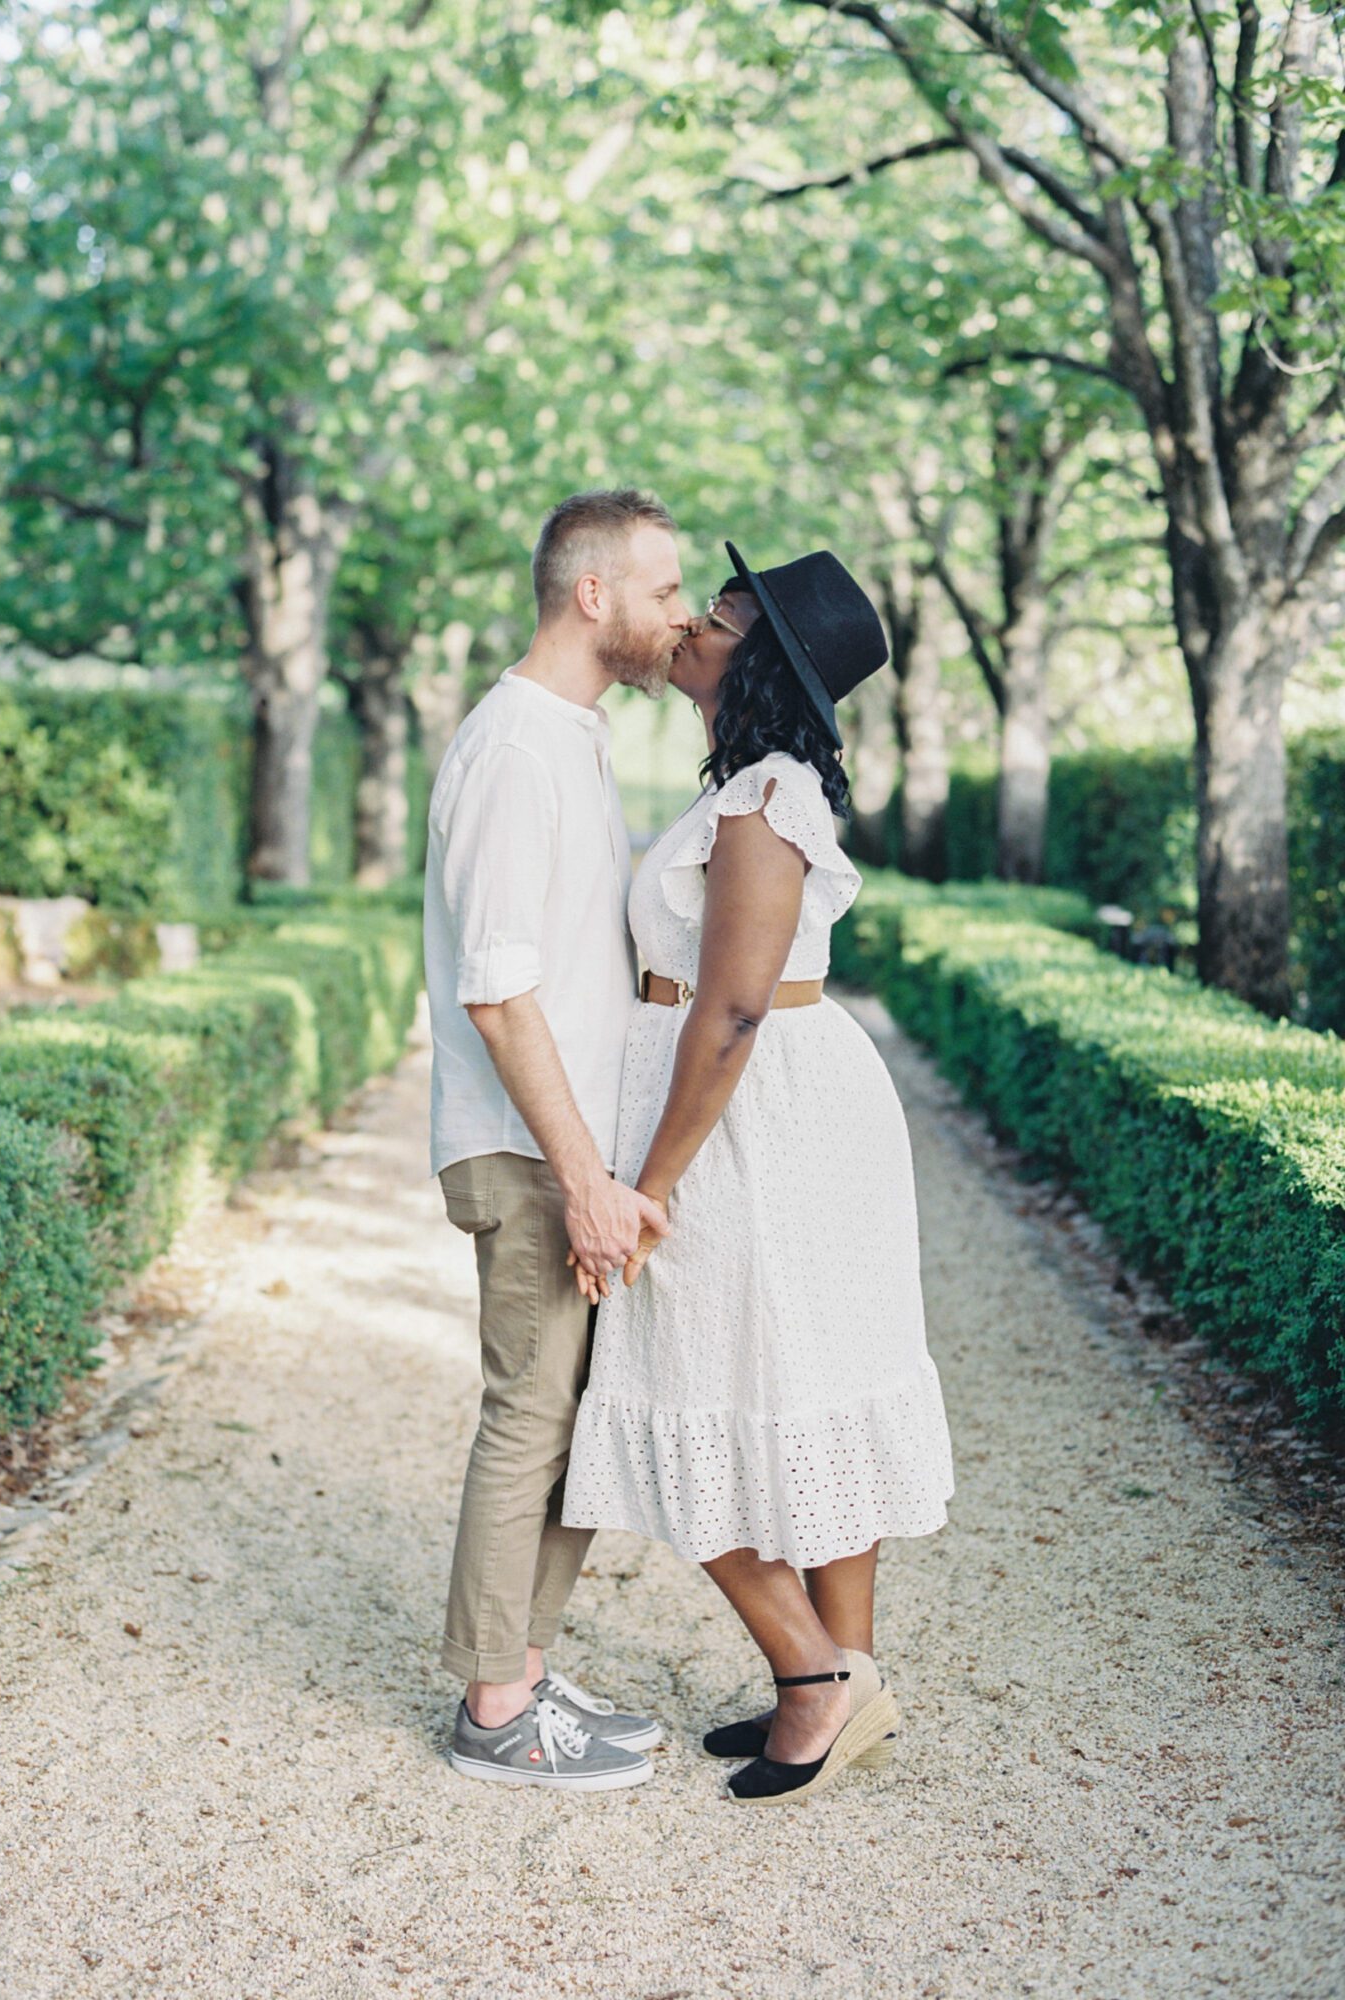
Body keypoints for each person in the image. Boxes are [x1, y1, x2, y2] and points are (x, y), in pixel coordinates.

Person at [562, 541, 956, 1805]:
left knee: (682, 1377)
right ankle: (847, 1678)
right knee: (799, 1385)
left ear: (761, 658)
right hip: (779, 1106)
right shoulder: (756, 782)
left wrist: (647, 1185)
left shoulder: (766, 797)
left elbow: (728, 1009)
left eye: (716, 614)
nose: (688, 625)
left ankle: (812, 1677)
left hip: (751, 1120)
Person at [423, 488, 691, 1790]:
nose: (678, 613)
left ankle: (522, 1668)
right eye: (662, 587)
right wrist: (584, 1177)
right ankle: (492, 1713)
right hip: (528, 1149)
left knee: (575, 1414)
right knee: (531, 1413)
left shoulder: (570, 739)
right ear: (594, 595)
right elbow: (497, 986)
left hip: (571, 1147)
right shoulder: (513, 751)